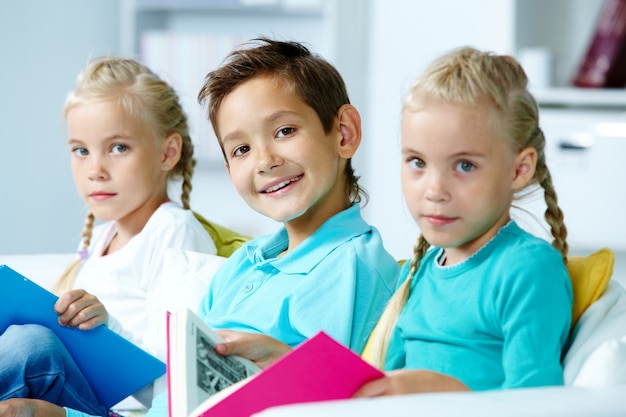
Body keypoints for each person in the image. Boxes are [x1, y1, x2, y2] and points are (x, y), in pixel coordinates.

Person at [0, 38, 399, 417]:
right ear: (229, 168)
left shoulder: (353, 265)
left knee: (30, 350)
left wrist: (280, 361)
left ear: (343, 133)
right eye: (241, 149)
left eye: (284, 131)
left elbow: (335, 400)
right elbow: (170, 389)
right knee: (29, 362)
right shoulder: (244, 262)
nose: (264, 160)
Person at [0, 56, 218, 416]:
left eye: (118, 148)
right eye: (81, 151)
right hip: (73, 389)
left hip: (120, 409)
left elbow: (173, 381)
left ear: (168, 152)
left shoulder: (174, 232)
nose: (95, 169)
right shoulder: (100, 239)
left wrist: (104, 326)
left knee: (34, 347)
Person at [353, 46, 573, 397]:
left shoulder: (528, 270)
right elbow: (380, 384)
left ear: (519, 170)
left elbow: (535, 405)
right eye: (418, 162)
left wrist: (443, 390)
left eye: (465, 165)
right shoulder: (420, 270)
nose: (435, 190)